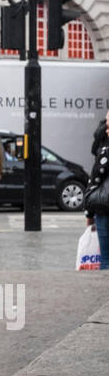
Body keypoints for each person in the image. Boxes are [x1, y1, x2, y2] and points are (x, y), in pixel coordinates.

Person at [85, 108, 109, 268]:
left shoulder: (105, 151)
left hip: (104, 206)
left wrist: (89, 213)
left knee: (106, 258)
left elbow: (95, 179)